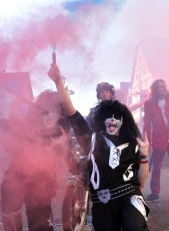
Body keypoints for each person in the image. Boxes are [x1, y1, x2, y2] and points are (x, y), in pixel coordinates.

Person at [48, 63, 150, 231]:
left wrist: (144, 155)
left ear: (124, 120)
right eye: (107, 117)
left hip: (129, 196)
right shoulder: (92, 138)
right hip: (103, 201)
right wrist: (58, 81)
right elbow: (71, 111)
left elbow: (142, 181)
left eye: (116, 117)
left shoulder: (133, 141)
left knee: (135, 227)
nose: (112, 120)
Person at [0, 81, 73, 231]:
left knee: (41, 227)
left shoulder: (61, 135)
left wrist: (65, 148)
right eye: (45, 112)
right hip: (15, 180)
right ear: (38, 113)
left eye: (54, 112)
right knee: (11, 221)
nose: (49, 115)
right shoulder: (23, 127)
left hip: (42, 185)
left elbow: (75, 168)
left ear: (60, 115)